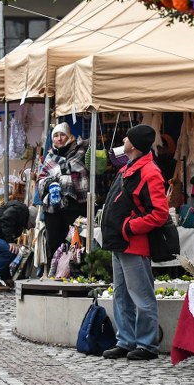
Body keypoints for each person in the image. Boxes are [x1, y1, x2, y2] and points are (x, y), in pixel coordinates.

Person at [100, 123, 168, 361]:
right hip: (120, 243)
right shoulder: (128, 167)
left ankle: (147, 345)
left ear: (135, 145)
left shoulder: (150, 172)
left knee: (141, 296)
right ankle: (126, 340)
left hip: (134, 243)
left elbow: (159, 213)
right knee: (121, 295)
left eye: (127, 138)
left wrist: (129, 227)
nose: (123, 141)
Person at [36, 122, 88, 269]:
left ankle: (74, 272)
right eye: (56, 136)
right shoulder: (50, 156)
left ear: (69, 136)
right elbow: (41, 178)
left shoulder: (80, 151)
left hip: (75, 205)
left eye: (62, 135)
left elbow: (80, 171)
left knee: (75, 242)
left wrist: (56, 178)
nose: (59, 138)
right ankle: (55, 272)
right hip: (54, 207)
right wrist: (51, 184)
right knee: (54, 241)